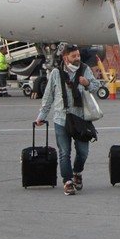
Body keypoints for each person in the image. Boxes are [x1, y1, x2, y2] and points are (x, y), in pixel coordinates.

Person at [36, 44, 101, 195]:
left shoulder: (85, 69)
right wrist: (42, 116)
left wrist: (88, 83)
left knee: (83, 152)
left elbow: (96, 87)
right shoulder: (56, 73)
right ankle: (68, 181)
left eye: (78, 55)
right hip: (61, 118)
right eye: (74, 56)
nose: (77, 58)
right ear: (65, 58)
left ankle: (77, 172)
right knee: (64, 152)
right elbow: (48, 96)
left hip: (81, 118)